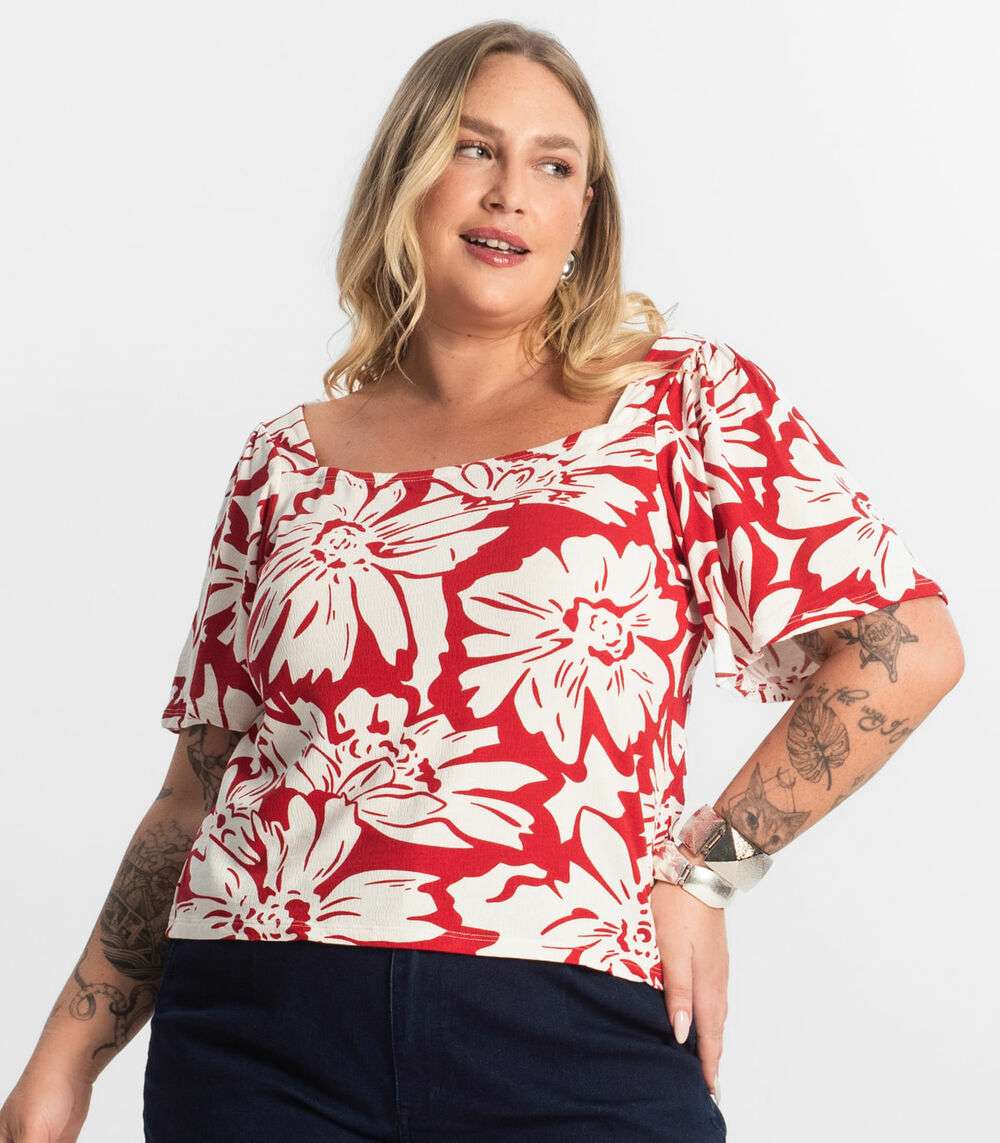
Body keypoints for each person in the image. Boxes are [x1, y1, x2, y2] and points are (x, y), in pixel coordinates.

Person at [0, 19, 964, 1143]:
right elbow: (196, 790)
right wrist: (63, 1063)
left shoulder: (684, 404)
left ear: (585, 213)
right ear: (405, 174)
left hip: (573, 1030)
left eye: (553, 165)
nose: (510, 191)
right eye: (474, 148)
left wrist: (708, 871)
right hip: (258, 1034)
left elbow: (909, 650)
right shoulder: (284, 461)